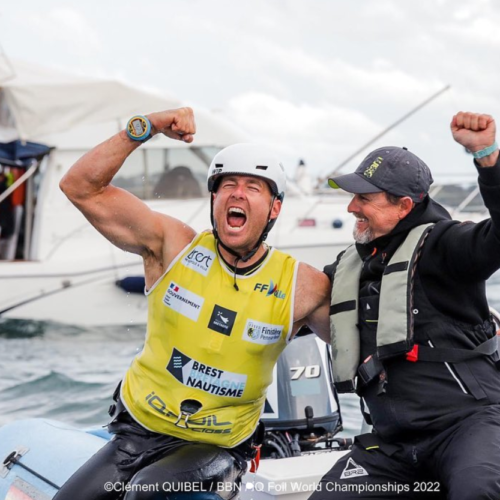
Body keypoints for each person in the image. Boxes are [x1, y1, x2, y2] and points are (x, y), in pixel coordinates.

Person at [55, 107, 331, 500]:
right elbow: (80, 186)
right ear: (215, 198)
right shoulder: (172, 246)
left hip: (216, 445)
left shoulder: (302, 285)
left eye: (253, 187)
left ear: (274, 208)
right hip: (137, 434)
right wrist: (145, 126)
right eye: (228, 184)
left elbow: (362, 346)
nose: (238, 193)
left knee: (145, 493)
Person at [309, 112, 500, 500]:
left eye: (364, 198)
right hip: (393, 445)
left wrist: (488, 158)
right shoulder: (350, 265)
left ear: (404, 206)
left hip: (469, 426)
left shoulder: (447, 246)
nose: (352, 208)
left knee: (476, 491)